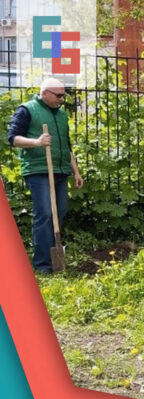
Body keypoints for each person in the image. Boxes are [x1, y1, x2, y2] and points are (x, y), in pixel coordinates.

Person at [7, 77, 84, 274]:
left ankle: (54, 256)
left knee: (60, 211)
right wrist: (37, 142)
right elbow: (13, 139)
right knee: (45, 214)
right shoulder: (27, 110)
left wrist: (76, 171)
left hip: (60, 170)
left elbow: (66, 146)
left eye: (63, 95)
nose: (61, 99)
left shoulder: (62, 115)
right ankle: (42, 264)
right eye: (58, 95)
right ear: (45, 93)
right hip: (38, 170)